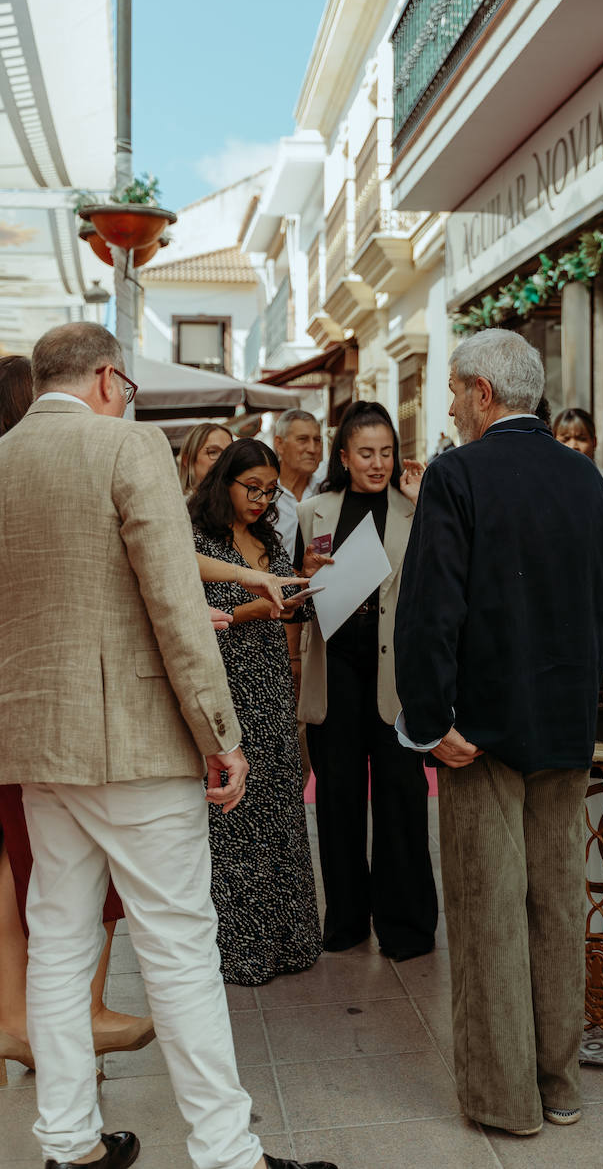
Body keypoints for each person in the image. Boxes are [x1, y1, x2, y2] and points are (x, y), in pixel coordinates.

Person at [0, 322, 334, 1169]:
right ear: (111, 378)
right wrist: (223, 733)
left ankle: (68, 1143)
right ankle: (228, 1154)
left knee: (59, 940)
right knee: (180, 943)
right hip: (136, 743)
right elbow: (175, 599)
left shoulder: (3, 458)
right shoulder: (128, 446)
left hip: (39, 741)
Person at [395, 329, 603, 1135]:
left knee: (491, 913)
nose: (450, 406)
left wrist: (429, 721)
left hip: (478, 735)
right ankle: (560, 1083)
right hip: (562, 730)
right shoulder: (586, 477)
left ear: (484, 392)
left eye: (455, 390)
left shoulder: (458, 474)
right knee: (557, 909)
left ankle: (504, 1100)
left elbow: (429, 613)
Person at [0, 355, 154, 1085]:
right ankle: (57, 1020)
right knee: (52, 882)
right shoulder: (85, 460)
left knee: (26, 875)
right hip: (58, 717)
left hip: (18, 709)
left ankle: (25, 1024)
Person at [297, 401, 438, 961]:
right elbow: (292, 596)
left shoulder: (414, 509)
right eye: (366, 453)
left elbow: (437, 578)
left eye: (386, 452)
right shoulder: (314, 512)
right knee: (338, 801)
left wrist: (425, 502)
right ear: (344, 457)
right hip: (336, 672)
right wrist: (305, 577)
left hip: (396, 675)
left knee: (403, 800)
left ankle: (406, 927)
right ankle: (347, 920)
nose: (378, 463)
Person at [189, 438, 322, 985]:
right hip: (226, 682)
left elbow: (289, 605)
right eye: (253, 488)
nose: (263, 500)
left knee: (280, 805)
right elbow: (202, 615)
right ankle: (242, 946)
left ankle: (290, 940)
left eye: (270, 491)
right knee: (236, 818)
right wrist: (261, 605)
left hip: (270, 676)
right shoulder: (198, 538)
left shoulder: (269, 534)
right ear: (225, 482)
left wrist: (307, 577)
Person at [553, 405, 603, 555]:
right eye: (565, 439)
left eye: (581, 438)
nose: (573, 446)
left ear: (594, 442)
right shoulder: (544, 485)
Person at [273, 408, 325, 559]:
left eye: (317, 440)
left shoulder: (326, 490)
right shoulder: (263, 495)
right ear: (280, 444)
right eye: (303, 439)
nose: (312, 449)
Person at [177, 420, 233, 493]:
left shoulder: (238, 500)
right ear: (187, 461)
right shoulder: (176, 503)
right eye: (213, 452)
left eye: (229, 453)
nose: (224, 459)